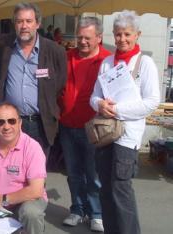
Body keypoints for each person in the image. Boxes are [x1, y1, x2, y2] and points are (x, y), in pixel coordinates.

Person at [90, 10, 160, 234]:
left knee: (121, 190)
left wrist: (117, 110)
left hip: (127, 137)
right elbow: (94, 96)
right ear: (113, 34)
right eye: (118, 34)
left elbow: (151, 102)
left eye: (127, 34)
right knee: (105, 189)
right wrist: (100, 104)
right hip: (105, 133)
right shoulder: (107, 63)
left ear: (137, 34)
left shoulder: (145, 63)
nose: (123, 39)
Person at [0, 2, 67, 156]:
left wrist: (47, 101)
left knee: (36, 175)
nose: (24, 26)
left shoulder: (54, 50)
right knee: (11, 170)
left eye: (28, 21)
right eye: (19, 21)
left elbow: (60, 83)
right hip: (11, 122)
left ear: (37, 23)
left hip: (40, 123)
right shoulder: (5, 46)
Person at [58, 17, 111, 232]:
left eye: (87, 38)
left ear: (99, 37)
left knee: (94, 174)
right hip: (67, 124)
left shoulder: (108, 60)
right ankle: (77, 209)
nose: (82, 42)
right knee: (73, 172)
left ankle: (96, 213)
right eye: (79, 37)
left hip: (93, 126)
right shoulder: (67, 56)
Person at [0, 103, 48, 234]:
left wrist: (3, 198)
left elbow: (36, 190)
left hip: (28, 201)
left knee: (30, 213)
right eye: (0, 122)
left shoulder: (32, 147)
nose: (6, 126)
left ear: (20, 123)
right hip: (0, 204)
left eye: (12, 121)